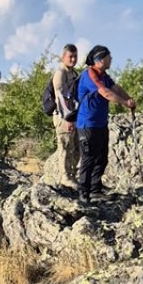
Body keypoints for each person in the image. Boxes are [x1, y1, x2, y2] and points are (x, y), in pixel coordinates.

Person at [75, 45, 136, 204]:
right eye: (109, 56)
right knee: (88, 159)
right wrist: (124, 103)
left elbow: (115, 88)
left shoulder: (104, 75)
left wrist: (129, 99)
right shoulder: (89, 75)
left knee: (102, 158)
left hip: (101, 123)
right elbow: (106, 92)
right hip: (87, 124)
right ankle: (83, 193)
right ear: (100, 59)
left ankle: (95, 190)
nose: (111, 59)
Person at [51, 44, 81, 187]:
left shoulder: (74, 74)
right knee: (65, 146)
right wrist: (68, 118)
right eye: (70, 56)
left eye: (75, 56)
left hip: (73, 117)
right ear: (63, 57)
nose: (73, 59)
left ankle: (72, 175)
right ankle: (65, 177)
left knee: (75, 148)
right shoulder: (60, 73)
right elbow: (60, 97)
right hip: (64, 117)